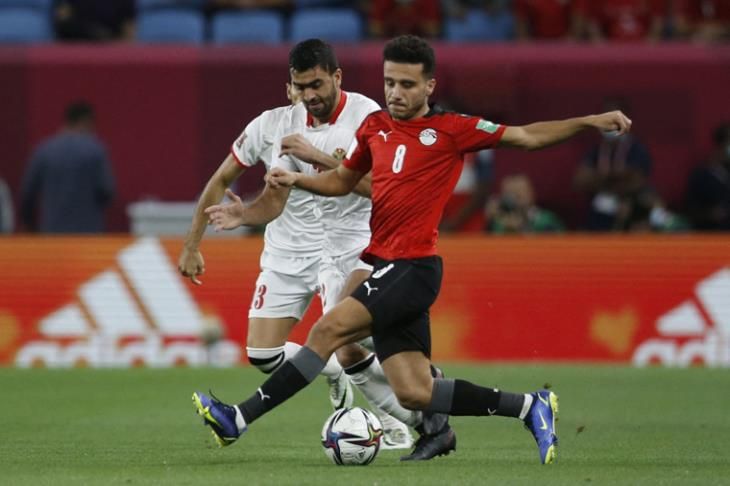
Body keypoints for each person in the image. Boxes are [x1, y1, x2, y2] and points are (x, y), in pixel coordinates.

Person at [194, 34, 631, 465]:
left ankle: (238, 418)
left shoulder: (452, 130)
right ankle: (528, 406)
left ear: (428, 86)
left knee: (327, 332)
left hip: (412, 267)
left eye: (406, 84)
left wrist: (589, 121)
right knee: (416, 391)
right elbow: (343, 182)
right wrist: (297, 179)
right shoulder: (375, 127)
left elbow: (527, 137)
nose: (395, 93)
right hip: (379, 261)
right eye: (389, 82)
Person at [181, 39, 420, 451]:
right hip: (288, 250)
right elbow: (247, 189)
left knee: (347, 341)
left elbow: (384, 188)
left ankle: (403, 420)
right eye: (300, 86)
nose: (308, 95)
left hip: (351, 244)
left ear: (337, 77)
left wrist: (322, 157)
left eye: (315, 85)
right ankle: (337, 372)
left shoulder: (368, 117)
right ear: (288, 85)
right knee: (262, 354)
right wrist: (199, 240)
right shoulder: (274, 126)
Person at [20, 101, 116, 233]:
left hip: (52, 230)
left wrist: (29, 224)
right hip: (88, 232)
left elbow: (28, 193)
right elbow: (107, 190)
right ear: (86, 121)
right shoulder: (95, 150)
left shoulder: (43, 150)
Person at [573, 98, 652, 231]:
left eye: (614, 118)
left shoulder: (636, 149)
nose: (609, 123)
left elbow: (636, 181)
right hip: (600, 205)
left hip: (630, 204)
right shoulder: (596, 150)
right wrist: (618, 178)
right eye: (606, 117)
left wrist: (602, 179)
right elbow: (580, 181)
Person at [685, 122, 730, 230]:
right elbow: (690, 211)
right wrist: (709, 214)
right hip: (711, 233)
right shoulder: (700, 176)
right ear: (721, 146)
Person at [486, 174, 564, 233]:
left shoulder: (546, 220)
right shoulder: (498, 222)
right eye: (509, 193)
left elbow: (555, 244)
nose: (514, 198)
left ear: (532, 193)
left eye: (519, 193)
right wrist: (489, 220)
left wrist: (520, 228)